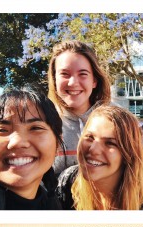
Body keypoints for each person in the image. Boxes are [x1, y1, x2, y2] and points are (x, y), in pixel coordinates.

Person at [56, 105, 143, 210]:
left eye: (110, 143)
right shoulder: (67, 182)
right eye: (90, 137)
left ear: (128, 154)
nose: (93, 149)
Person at [48, 40, 111, 175]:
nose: (73, 82)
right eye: (65, 74)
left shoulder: (115, 123)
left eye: (83, 74)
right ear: (54, 79)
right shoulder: (43, 124)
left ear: (94, 81)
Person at [0, 85, 64, 210]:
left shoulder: (53, 205)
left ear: (58, 144)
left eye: (35, 128)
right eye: (1, 130)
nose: (17, 142)